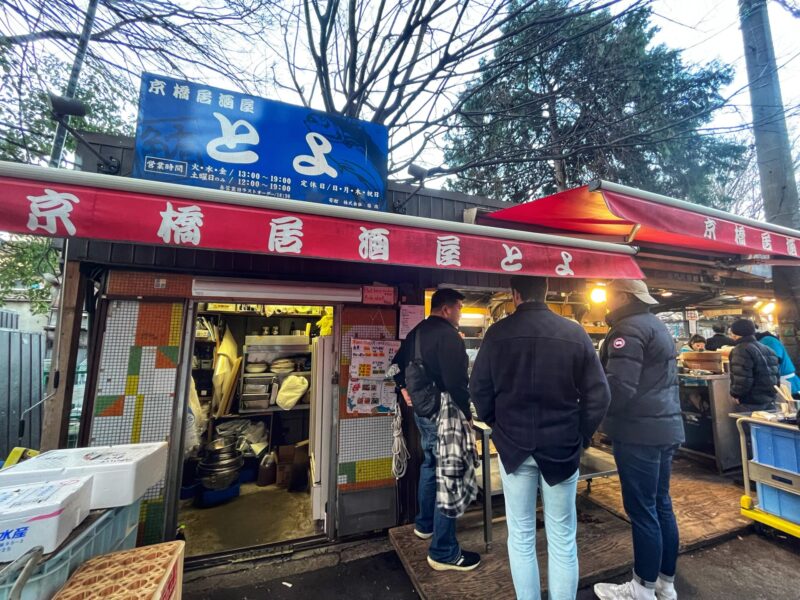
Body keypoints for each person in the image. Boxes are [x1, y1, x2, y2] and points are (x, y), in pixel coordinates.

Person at [470, 276, 610, 600]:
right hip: (562, 446)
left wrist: (498, 428)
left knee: (520, 534)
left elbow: (478, 391)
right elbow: (600, 395)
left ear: (515, 295)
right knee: (562, 537)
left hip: (513, 447)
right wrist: (582, 436)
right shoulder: (574, 332)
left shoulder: (497, 333)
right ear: (547, 292)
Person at [594, 280, 684, 600]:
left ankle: (641, 588)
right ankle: (665, 583)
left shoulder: (627, 330)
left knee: (642, 508)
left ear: (623, 296)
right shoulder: (656, 325)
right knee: (660, 505)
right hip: (666, 428)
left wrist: (592, 418)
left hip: (638, 432)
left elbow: (619, 388)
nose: (606, 299)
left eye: (609, 293)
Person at [391, 288, 481, 572]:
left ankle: (425, 525)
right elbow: (457, 384)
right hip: (446, 413)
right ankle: (443, 552)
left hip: (423, 413)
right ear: (446, 309)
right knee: (449, 477)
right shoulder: (449, 337)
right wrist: (467, 417)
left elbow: (393, 367)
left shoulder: (415, 333)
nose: (460, 314)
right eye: (459, 309)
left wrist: (403, 390)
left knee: (431, 465)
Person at [728, 319, 779, 411]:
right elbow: (776, 376)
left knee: (748, 425)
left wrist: (736, 395)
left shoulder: (740, 350)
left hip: (751, 402)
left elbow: (742, 379)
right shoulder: (767, 349)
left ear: (735, 333)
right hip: (769, 400)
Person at [756, 330, 800, 396]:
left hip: (786, 382)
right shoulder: (766, 340)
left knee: (790, 404)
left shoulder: (768, 340)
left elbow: (774, 360)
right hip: (781, 380)